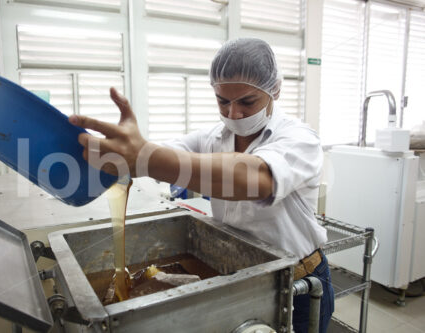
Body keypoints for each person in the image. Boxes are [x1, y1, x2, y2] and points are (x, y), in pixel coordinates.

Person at [69, 37, 334, 333]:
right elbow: (170, 151)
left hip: (299, 283)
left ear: (275, 90)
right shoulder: (212, 138)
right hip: (243, 281)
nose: (233, 114)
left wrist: (145, 157)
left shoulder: (299, 138)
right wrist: (119, 153)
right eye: (223, 101)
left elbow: (255, 178)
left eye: (247, 102)